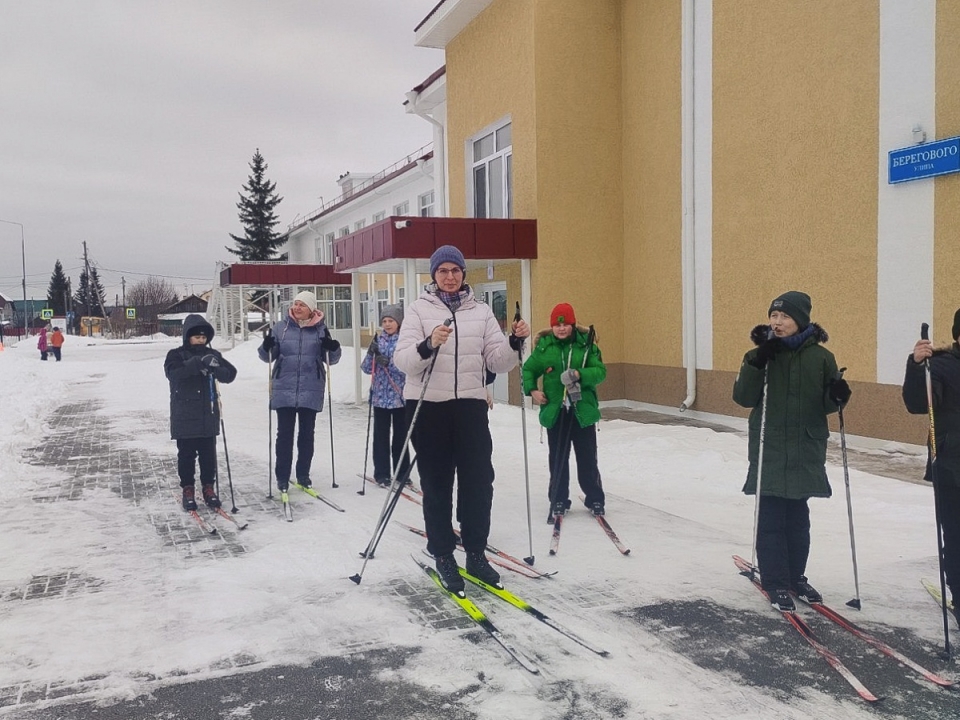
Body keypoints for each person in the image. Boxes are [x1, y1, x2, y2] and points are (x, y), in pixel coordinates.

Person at [395, 245, 530, 593]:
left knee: (478, 481)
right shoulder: (418, 310)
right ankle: (442, 553)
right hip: (428, 407)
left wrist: (514, 342)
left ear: (464, 274)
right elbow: (404, 361)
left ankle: (474, 552)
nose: (450, 277)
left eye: (456, 271)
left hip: (469, 406)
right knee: (437, 484)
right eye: (443, 271)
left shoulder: (481, 312)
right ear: (434, 276)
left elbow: (496, 361)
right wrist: (428, 344)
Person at [732, 291, 850, 611]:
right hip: (770, 445)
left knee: (798, 519)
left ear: (800, 320)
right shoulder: (759, 354)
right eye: (773, 315)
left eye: (784, 316)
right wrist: (758, 361)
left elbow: (826, 403)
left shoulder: (822, 358)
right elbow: (743, 397)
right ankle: (774, 580)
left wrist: (838, 394)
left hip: (804, 447)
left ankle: (796, 576)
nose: (777, 322)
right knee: (771, 516)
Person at [522, 302, 607, 523]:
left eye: (566, 324)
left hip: (582, 411)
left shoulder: (586, 346)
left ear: (572, 324)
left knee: (587, 457)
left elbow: (600, 371)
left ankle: (595, 497)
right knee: (558, 457)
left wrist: (581, 374)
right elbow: (529, 369)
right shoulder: (545, 348)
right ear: (552, 327)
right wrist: (533, 390)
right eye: (557, 325)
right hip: (556, 411)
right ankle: (558, 498)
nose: (561, 329)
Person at [902, 309, 960, 627]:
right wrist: (916, 366)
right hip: (952, 466)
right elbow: (916, 403)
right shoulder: (938, 365)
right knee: (956, 536)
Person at [258, 291, 342, 492]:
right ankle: (282, 477)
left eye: (302, 305)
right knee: (284, 435)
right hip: (284, 388)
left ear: (311, 309)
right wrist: (266, 346)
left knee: (306, 435)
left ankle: (303, 475)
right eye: (295, 304)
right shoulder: (281, 328)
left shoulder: (321, 330)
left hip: (310, 387)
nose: (297, 308)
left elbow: (331, 359)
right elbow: (267, 357)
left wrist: (332, 348)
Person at [164, 314, 238, 510]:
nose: (200, 341)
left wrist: (217, 368)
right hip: (185, 414)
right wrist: (198, 363)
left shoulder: (212, 354)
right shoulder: (176, 355)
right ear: (188, 337)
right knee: (186, 455)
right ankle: (187, 488)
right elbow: (174, 374)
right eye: (196, 337)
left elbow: (230, 374)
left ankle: (208, 487)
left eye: (203, 338)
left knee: (208, 455)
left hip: (208, 414)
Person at [360, 304, 410, 487]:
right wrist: (372, 354)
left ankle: (402, 472)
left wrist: (389, 363)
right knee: (380, 437)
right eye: (384, 321)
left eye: (391, 321)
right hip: (380, 398)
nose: (387, 324)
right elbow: (366, 368)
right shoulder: (377, 340)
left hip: (400, 398)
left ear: (398, 322)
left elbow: (408, 368)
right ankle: (382, 473)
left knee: (401, 437)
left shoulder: (405, 341)